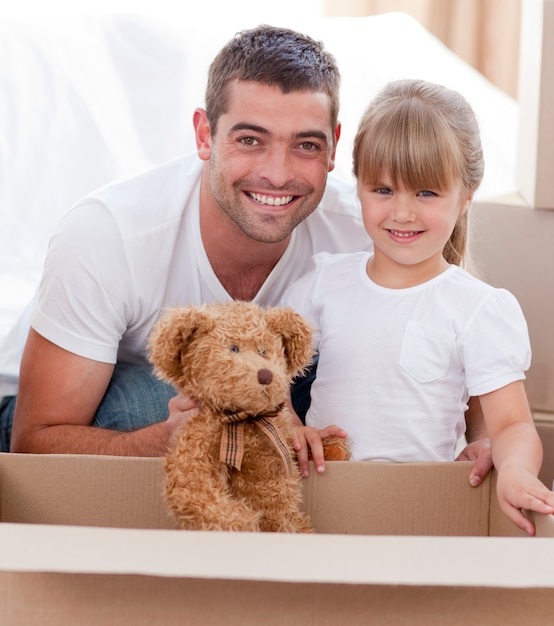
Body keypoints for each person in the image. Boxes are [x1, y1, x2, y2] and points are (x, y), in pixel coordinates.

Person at [2, 26, 490, 482]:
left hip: (276, 399)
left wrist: (486, 445)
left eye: (305, 145)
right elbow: (34, 442)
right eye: (250, 140)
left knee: (346, 394)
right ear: (203, 135)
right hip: (93, 416)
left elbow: (456, 363)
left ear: (334, 147)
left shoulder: (372, 226)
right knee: (159, 400)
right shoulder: (109, 236)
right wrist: (164, 441)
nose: (277, 175)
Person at [281, 78, 554, 534]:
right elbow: (264, 371)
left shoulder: (478, 308)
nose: (402, 213)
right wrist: (288, 422)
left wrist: (516, 471)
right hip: (323, 499)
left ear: (466, 197)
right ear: (359, 188)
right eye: (383, 190)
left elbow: (511, 426)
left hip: (426, 511)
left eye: (426, 193)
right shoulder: (325, 281)